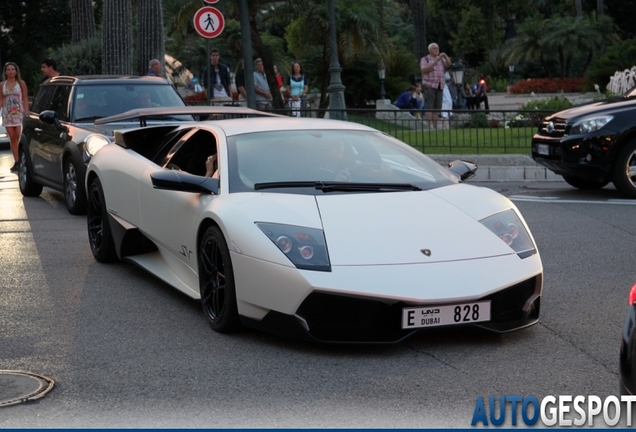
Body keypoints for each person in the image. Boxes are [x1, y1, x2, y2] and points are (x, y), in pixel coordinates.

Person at [0, 62, 29, 171]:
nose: (11, 71)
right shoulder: (2, 85)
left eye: (13, 69)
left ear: (16, 71)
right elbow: (1, 99)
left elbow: (25, 97)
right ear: (5, 72)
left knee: (19, 136)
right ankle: (16, 161)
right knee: (12, 138)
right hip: (7, 113)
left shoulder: (21, 83)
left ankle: (23, 160)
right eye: (8, 69)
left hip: (19, 112)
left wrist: (26, 112)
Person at [420, 42, 451, 129]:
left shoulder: (441, 60)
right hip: (430, 85)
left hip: (439, 86)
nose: (437, 50)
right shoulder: (425, 59)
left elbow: (449, 64)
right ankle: (429, 128)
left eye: (437, 48)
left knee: (437, 109)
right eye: (434, 48)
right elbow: (424, 70)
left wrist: (445, 56)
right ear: (430, 50)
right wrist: (434, 62)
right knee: (429, 108)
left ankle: (435, 127)